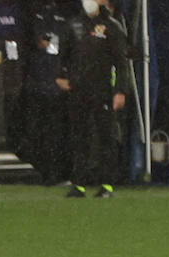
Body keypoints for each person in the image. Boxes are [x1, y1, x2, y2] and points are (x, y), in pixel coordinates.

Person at [58, 0, 134, 197]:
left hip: (103, 90)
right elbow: (63, 55)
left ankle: (107, 184)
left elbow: (122, 63)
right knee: (79, 136)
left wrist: (120, 91)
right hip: (78, 90)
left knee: (106, 137)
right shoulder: (73, 24)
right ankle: (79, 184)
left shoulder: (112, 26)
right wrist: (61, 75)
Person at [19, 0, 73, 186]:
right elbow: (38, 45)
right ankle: (45, 172)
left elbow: (66, 50)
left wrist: (65, 76)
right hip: (38, 86)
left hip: (57, 87)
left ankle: (56, 175)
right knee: (37, 132)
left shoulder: (66, 18)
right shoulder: (34, 17)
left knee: (56, 132)